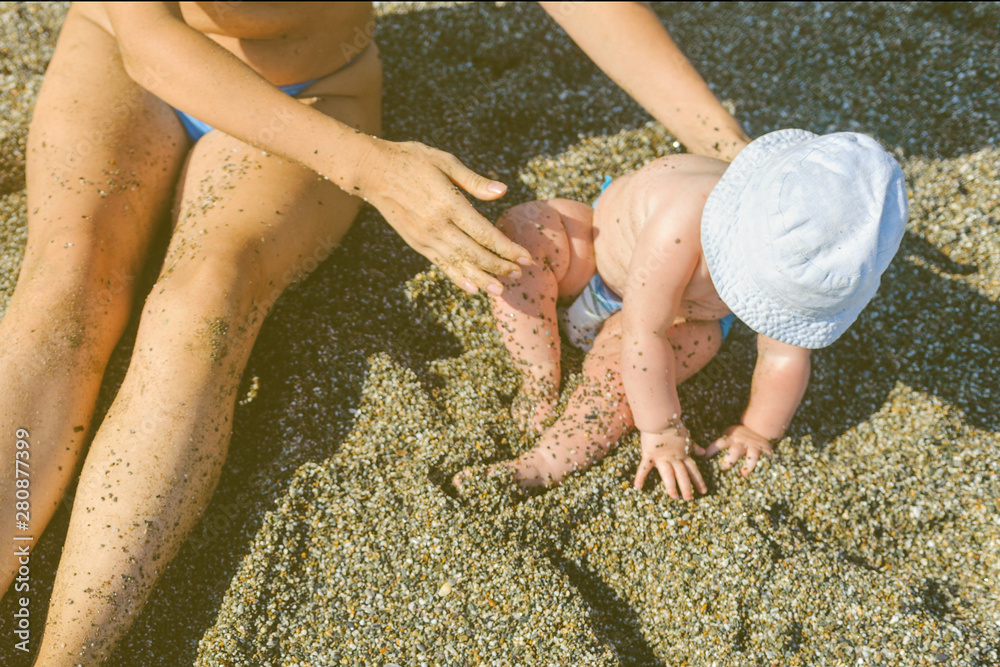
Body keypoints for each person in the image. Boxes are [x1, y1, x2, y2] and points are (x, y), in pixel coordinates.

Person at [0, 2, 750, 663]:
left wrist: (736, 158)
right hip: (130, 55)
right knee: (68, 289)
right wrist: (372, 170)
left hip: (317, 84)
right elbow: (146, 39)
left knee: (204, 299)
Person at [454, 130, 907, 501]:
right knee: (533, 229)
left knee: (647, 366)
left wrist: (757, 430)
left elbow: (784, 357)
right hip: (597, 264)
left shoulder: (807, 267)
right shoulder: (685, 214)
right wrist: (664, 428)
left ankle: (544, 463)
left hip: (682, 319)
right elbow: (641, 332)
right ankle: (537, 370)